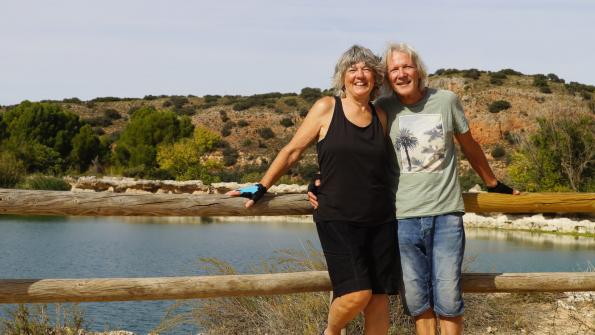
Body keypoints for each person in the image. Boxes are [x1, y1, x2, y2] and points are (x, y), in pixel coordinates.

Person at [310, 42, 519, 335]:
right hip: (403, 218)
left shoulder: (446, 101)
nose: (401, 73)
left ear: (418, 70)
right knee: (418, 301)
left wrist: (493, 183)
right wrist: (321, 178)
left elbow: (470, 146)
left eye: (406, 66)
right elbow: (355, 150)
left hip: (446, 215)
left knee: (448, 299)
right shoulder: (383, 108)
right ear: (387, 77)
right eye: (394, 69)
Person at [228, 45, 397, 335]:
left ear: (376, 77)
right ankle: (329, 333)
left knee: (379, 302)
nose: (359, 75)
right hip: (338, 218)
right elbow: (293, 151)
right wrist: (262, 185)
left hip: (381, 219)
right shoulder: (326, 108)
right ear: (342, 77)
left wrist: (319, 178)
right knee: (358, 294)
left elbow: (375, 166)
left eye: (366, 69)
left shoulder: (380, 115)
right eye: (352, 69)